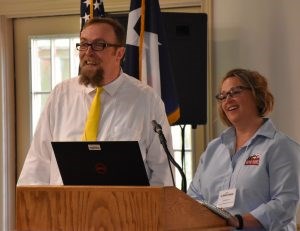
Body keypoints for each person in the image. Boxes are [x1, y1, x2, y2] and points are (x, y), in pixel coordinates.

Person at [17, 17, 174, 186]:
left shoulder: (146, 100)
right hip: (65, 209)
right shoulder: (60, 95)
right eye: (83, 44)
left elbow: (162, 172)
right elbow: (37, 164)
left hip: (125, 210)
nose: (88, 52)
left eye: (99, 45)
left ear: (119, 53)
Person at [187, 68, 300, 230]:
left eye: (234, 92)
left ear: (256, 94)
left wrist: (239, 221)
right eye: (223, 96)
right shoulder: (213, 150)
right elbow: (194, 198)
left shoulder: (280, 147)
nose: (227, 100)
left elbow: (285, 202)